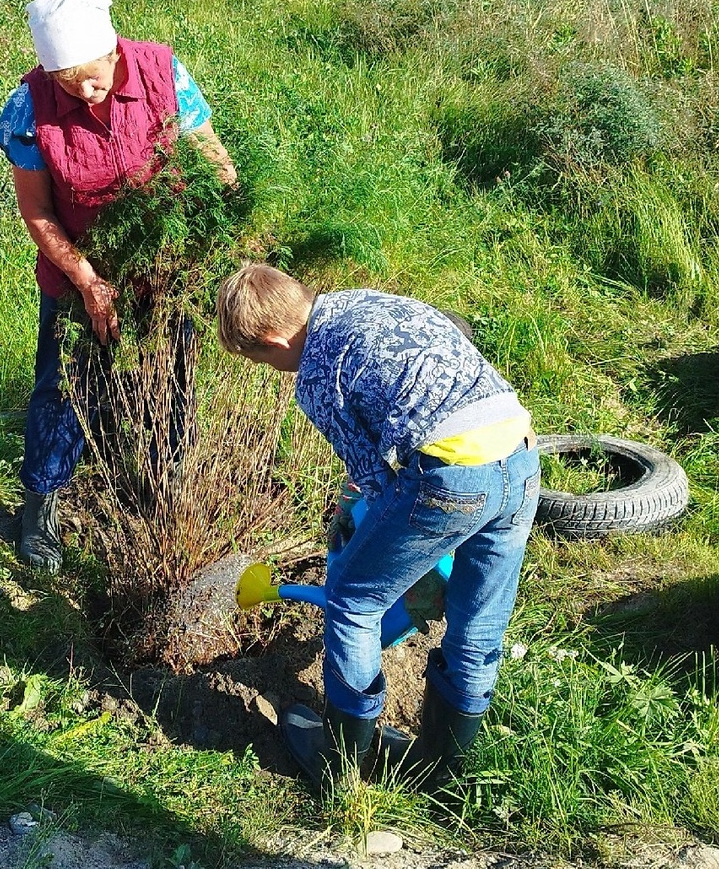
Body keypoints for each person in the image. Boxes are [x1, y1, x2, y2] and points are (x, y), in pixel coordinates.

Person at [215, 262, 538, 783]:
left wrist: (361, 538)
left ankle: (339, 760)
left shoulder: (315, 372)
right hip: (521, 458)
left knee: (351, 600)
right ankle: (444, 774)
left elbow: (374, 481)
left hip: (451, 477)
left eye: (257, 359)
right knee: (477, 622)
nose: (269, 369)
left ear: (274, 341)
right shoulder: (365, 302)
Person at [0, 0, 236, 573]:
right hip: (78, 263)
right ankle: (41, 504)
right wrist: (86, 278)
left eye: (94, 74)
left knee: (172, 372)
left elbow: (212, 158)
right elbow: (38, 211)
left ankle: (163, 489)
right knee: (66, 386)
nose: (87, 89)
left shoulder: (162, 72)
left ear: (114, 49)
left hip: (166, 259)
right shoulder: (30, 106)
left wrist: (232, 228)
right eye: (69, 82)